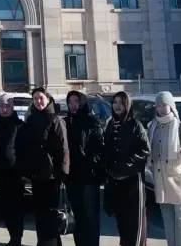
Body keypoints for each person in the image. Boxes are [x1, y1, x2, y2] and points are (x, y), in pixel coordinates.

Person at [15, 87, 69, 246]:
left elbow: (63, 148)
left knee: (50, 214)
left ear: (48, 99)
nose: (38, 101)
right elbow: (25, 147)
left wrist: (62, 173)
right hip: (36, 175)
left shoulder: (56, 120)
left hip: (52, 176)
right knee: (39, 214)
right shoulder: (31, 119)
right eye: (35, 99)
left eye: (41, 98)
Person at [148, 91, 181, 246]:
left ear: (171, 106)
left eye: (164, 104)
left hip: (179, 181)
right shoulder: (152, 127)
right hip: (161, 182)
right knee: (168, 221)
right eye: (158, 105)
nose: (161, 108)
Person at [103, 91, 150, 246]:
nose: (117, 106)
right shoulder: (111, 124)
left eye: (121, 103)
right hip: (116, 182)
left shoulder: (135, 124)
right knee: (122, 222)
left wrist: (127, 165)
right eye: (115, 102)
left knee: (134, 225)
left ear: (127, 105)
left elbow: (145, 150)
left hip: (133, 182)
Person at [64, 91, 104, 246]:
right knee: (78, 215)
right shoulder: (66, 122)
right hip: (72, 177)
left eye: (76, 101)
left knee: (90, 216)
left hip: (88, 177)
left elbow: (99, 148)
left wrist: (90, 164)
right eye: (70, 102)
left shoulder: (92, 122)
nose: (73, 105)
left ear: (82, 102)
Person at [0, 93, 24, 246]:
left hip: (15, 172)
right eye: (2, 106)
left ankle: (17, 238)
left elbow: (24, 149)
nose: (4, 109)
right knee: (5, 207)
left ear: (12, 107)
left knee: (16, 207)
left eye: (7, 106)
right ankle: (12, 236)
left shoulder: (19, 125)